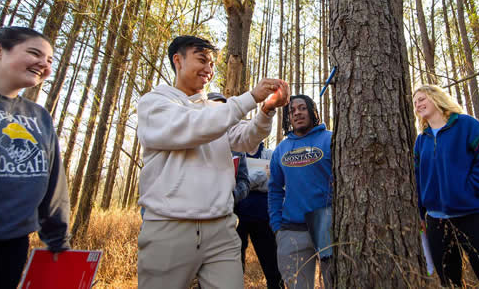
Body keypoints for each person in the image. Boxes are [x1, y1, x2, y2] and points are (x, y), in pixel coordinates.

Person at [136, 35, 289, 289]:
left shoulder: (215, 109)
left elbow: (246, 139)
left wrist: (265, 110)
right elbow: (196, 126)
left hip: (222, 229)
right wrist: (250, 97)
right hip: (168, 227)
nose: (209, 69)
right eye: (202, 60)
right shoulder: (155, 103)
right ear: (178, 60)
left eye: (212, 64)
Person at [0, 26, 70, 289]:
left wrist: (58, 238)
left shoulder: (39, 116)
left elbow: (52, 182)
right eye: (34, 53)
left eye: (49, 60)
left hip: (13, 246)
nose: (44, 64)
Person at [412, 84, 479, 288]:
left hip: (475, 217)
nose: (417, 104)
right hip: (437, 223)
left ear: (436, 98)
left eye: (421, 98)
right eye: (414, 102)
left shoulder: (466, 125)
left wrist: (468, 191)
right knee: (449, 282)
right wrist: (421, 214)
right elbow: (417, 179)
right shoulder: (422, 140)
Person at [268, 95, 332, 289]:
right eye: (292, 111)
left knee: (336, 282)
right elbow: (274, 189)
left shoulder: (330, 139)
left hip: (328, 227)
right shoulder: (281, 149)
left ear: (312, 112)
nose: (297, 113)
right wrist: (277, 226)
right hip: (291, 230)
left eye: (302, 108)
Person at [236, 142, 283, 289]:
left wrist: (246, 182)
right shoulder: (235, 154)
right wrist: (261, 176)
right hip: (238, 219)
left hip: (264, 218)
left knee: (273, 269)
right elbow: (235, 184)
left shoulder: (270, 154)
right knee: (236, 269)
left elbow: (276, 182)